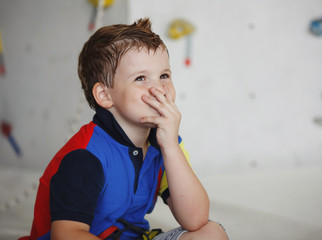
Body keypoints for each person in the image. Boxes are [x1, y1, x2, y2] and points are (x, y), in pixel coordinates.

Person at [19, 18, 228, 240]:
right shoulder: (85, 156)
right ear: (105, 95)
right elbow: (66, 235)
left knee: (211, 233)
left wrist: (171, 148)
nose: (159, 89)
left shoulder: (166, 142)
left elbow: (195, 219)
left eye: (164, 75)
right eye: (141, 78)